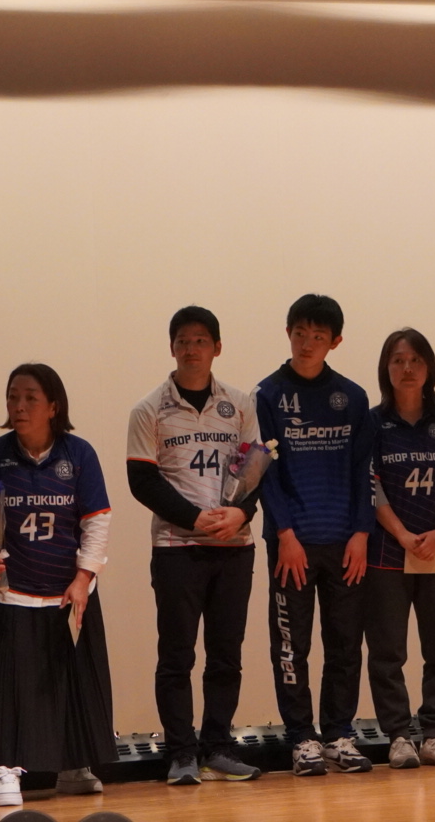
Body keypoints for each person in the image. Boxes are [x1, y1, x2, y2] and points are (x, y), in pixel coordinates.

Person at [0, 363, 116, 806]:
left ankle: (74, 765)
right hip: (12, 593)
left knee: (74, 683)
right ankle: (6, 772)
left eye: (30, 398)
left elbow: (96, 521)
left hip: (67, 591)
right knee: (7, 687)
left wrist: (84, 578)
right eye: (13, 396)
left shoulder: (79, 454)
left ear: (53, 406)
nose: (19, 406)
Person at [126, 306, 264, 785]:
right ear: (172, 347)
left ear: (216, 348)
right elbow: (142, 480)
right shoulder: (149, 409)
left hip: (234, 546)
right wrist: (193, 518)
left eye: (201, 340)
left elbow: (255, 470)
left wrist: (242, 513)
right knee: (177, 656)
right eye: (183, 341)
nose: (191, 349)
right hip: (176, 548)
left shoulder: (240, 404)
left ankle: (218, 747)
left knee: (226, 655)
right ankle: (182, 754)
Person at [255, 295, 376, 776]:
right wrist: (285, 533)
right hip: (292, 546)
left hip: (346, 544)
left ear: (335, 342)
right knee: (292, 646)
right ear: (288, 333)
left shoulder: (354, 397)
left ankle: (340, 734)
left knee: (345, 644)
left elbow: (364, 470)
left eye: (318, 336)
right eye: (300, 333)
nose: (307, 343)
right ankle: (302, 738)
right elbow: (264, 473)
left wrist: (362, 533)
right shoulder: (266, 395)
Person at [364, 328, 435, 769]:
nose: (407, 369)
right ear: (386, 368)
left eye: (415, 361)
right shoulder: (372, 423)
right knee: (387, 652)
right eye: (398, 360)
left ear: (429, 368)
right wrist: (402, 534)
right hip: (386, 554)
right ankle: (398, 737)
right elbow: (371, 486)